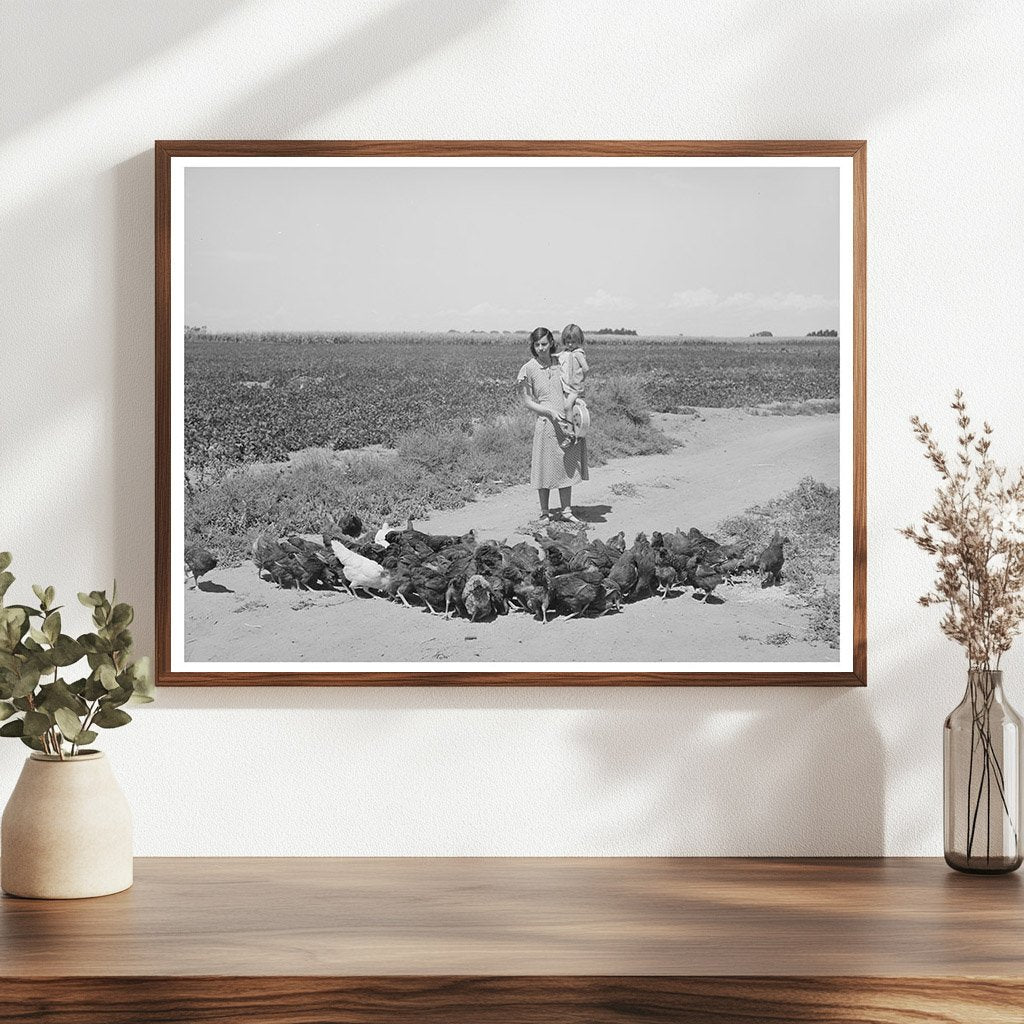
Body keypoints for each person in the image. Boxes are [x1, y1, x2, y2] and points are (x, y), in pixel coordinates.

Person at [517, 327, 589, 523]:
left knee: (567, 464)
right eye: (537, 345)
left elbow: (574, 384)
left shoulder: (561, 362)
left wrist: (577, 401)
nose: (541, 348)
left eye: (544, 344)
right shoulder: (528, 368)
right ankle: (545, 513)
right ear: (533, 346)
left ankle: (567, 511)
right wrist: (548, 412)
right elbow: (528, 401)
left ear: (551, 344)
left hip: (566, 421)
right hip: (546, 422)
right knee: (544, 468)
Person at [556, 323, 589, 448]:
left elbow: (586, 368)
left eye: (573, 342)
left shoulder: (578, 353)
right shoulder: (565, 353)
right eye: (568, 342)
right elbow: (557, 357)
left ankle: (570, 434)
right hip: (566, 387)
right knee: (566, 407)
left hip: (574, 388)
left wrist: (581, 380)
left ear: (579, 341)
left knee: (567, 406)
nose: (570, 344)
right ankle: (571, 429)